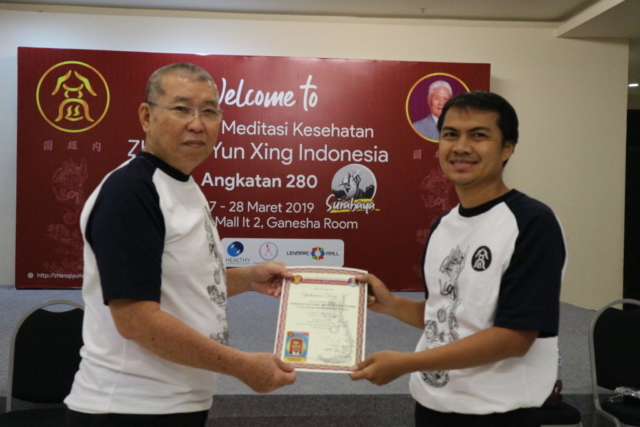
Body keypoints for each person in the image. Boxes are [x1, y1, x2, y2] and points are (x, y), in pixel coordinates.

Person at [64, 62, 296, 427]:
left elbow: (178, 284)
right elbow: (137, 321)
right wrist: (243, 366)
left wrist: (247, 278)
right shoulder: (132, 192)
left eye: (209, 111)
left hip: (174, 402)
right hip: (128, 409)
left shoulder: (181, 184)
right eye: (181, 109)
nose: (197, 124)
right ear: (146, 116)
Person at [351, 91, 566, 427]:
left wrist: (406, 363)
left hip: (497, 413)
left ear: (507, 148)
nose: (461, 147)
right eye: (451, 134)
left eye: (478, 135)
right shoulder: (444, 225)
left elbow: (514, 337)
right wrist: (392, 304)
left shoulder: (532, 223)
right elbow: (449, 315)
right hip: (433, 405)